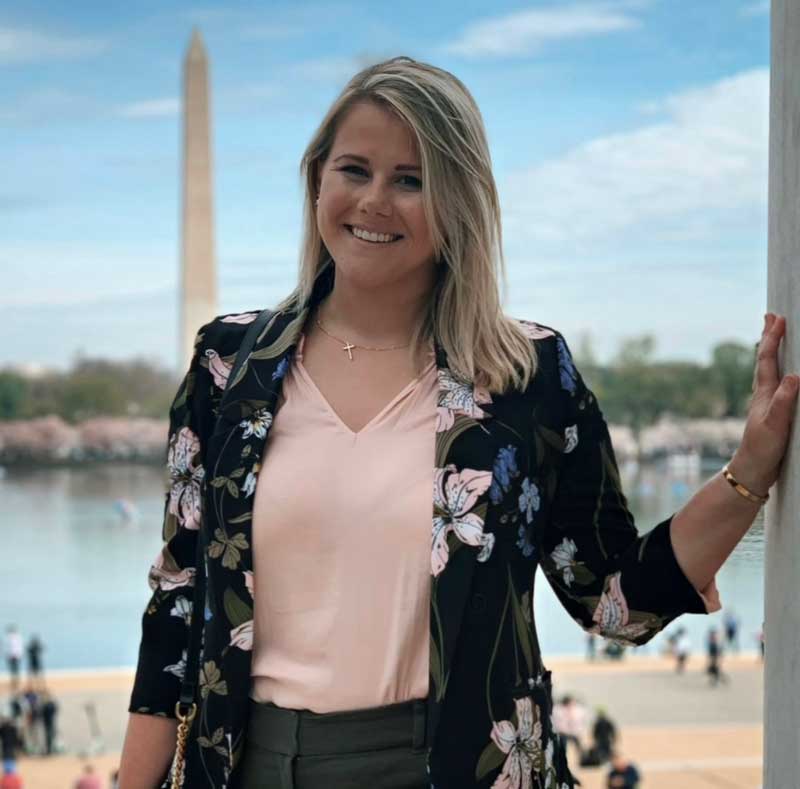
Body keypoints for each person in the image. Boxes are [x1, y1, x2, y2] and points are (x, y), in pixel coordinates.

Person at [118, 56, 799, 789]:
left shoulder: (525, 375)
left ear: (459, 203)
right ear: (318, 177)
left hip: (456, 768)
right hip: (248, 765)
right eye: (355, 169)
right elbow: (178, 607)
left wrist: (749, 473)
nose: (375, 200)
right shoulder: (227, 367)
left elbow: (610, 598)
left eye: (411, 180)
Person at [3, 628, 22, 692]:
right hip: (14, 656)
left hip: (13, 656)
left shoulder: (12, 638)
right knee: (14, 670)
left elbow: (17, 647)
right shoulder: (16, 637)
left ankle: (15, 682)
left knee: (14, 670)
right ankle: (15, 682)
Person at [39, 690, 58, 755]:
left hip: (50, 722)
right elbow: (41, 712)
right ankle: (48, 749)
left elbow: (54, 710)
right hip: (46, 722)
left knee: (50, 736)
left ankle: (50, 749)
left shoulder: (50, 703)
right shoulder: (43, 704)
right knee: (47, 736)